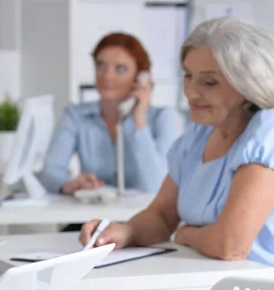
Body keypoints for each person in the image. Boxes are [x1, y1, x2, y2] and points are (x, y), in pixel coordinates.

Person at [80, 17, 274, 266]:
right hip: (201, 280)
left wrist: (188, 234)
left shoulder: (267, 133)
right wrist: (124, 232)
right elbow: (162, 215)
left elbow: (230, 245)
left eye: (209, 82)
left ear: (247, 84)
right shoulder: (199, 134)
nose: (191, 92)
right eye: (188, 75)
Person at [39, 32, 178, 197]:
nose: (107, 76)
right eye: (101, 65)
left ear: (141, 78)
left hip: (140, 219)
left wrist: (139, 119)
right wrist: (68, 185)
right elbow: (49, 172)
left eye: (120, 69)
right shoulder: (76, 116)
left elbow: (157, 183)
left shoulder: (163, 118)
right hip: (92, 217)